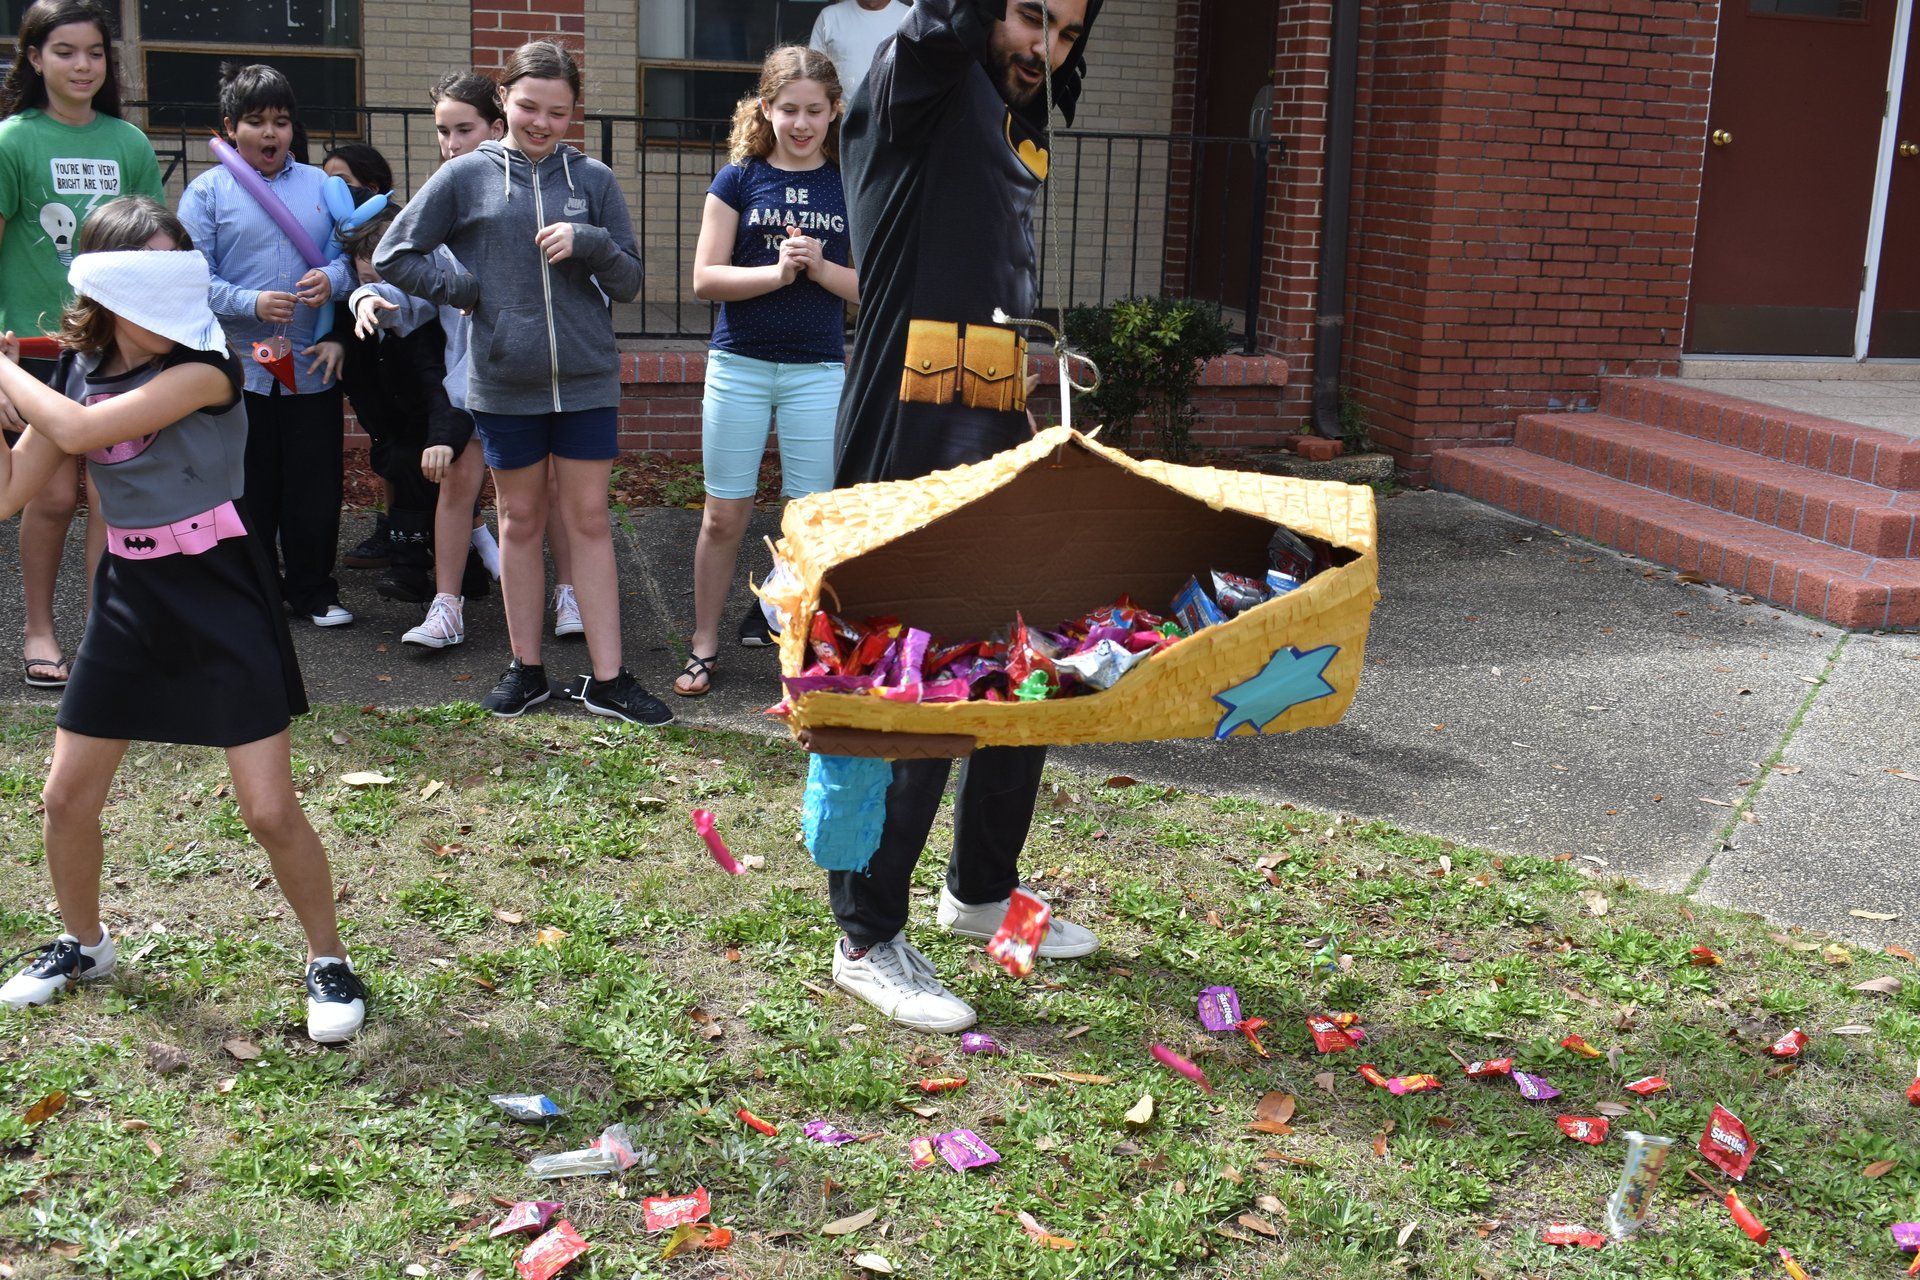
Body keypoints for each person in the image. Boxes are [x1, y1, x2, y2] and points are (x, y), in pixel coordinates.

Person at [0, 196, 368, 1042]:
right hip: (130, 592)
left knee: (268, 810)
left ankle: (329, 959)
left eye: (182, 266)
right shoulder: (82, 371)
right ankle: (84, 945)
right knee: (64, 798)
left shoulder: (207, 365)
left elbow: (80, 430)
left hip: (220, 587)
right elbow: (12, 492)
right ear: (110, 284)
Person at [827, 0, 1101, 1033]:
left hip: (981, 411)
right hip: (904, 433)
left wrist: (1023, 388)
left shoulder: (1005, 112)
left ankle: (980, 889)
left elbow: (975, 290)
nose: (1047, 47)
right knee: (917, 688)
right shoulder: (919, 84)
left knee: (1026, 665)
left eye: (1068, 32)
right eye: (1032, 17)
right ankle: (864, 936)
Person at [375, 42, 666, 723]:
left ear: (573, 112)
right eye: (530, 106)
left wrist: (590, 242)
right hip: (505, 381)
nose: (542, 122)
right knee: (519, 520)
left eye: (558, 112)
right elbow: (394, 253)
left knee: (587, 520)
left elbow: (629, 279)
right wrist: (462, 288)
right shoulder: (466, 176)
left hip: (586, 380)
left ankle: (608, 678)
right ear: (503, 99)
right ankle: (525, 669)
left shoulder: (593, 178)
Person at [679, 46, 856, 697]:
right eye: (788, 109)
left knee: (809, 524)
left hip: (817, 370)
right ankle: (704, 645)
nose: (801, 123)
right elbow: (705, 279)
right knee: (723, 516)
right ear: (766, 109)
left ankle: (799, 651)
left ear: (834, 111)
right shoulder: (738, 179)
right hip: (740, 367)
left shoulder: (848, 182)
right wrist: (777, 274)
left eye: (814, 110)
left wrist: (820, 269)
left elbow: (873, 290)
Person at [0, 0, 163, 689]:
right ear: (34, 58)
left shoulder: (129, 143)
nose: (82, 65)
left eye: (95, 52)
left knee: (112, 497)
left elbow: (154, 252)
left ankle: (106, 634)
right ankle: (38, 630)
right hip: (33, 350)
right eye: (64, 51)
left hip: (113, 349)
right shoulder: (12, 140)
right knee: (50, 497)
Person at [179, 63, 357, 628]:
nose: (270, 133)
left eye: (280, 121)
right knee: (248, 486)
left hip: (310, 365)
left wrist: (333, 280)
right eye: (255, 121)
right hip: (237, 370)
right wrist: (250, 302)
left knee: (314, 486)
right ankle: (253, 593)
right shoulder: (206, 193)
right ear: (231, 126)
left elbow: (352, 260)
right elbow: (190, 278)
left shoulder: (321, 187)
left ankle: (314, 592)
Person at [808, 0, 912, 99]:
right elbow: (814, 74)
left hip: (893, 110)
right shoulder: (829, 16)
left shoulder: (909, 18)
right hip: (841, 110)